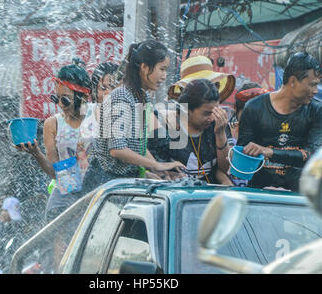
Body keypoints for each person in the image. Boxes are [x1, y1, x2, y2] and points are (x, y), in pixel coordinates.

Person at [82, 40, 185, 190]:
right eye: (162, 69)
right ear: (144, 67)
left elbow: (139, 146)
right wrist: (156, 164)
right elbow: (117, 149)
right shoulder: (121, 96)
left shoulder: (142, 97)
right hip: (103, 182)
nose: (164, 76)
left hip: (122, 180)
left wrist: (160, 171)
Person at [237, 52, 322, 192]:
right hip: (259, 194)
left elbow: (312, 155)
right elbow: (243, 153)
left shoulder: (318, 111)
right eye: (312, 85)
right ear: (293, 81)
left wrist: (268, 152)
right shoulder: (254, 107)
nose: (316, 91)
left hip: (298, 196)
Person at [17, 64, 98, 223]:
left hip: (96, 192)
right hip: (65, 196)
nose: (60, 104)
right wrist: (36, 153)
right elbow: (55, 173)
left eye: (65, 99)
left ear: (81, 95)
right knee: (60, 244)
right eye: (56, 98)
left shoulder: (97, 113)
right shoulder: (52, 124)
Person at [149, 79, 232, 185]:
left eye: (215, 112)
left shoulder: (219, 124)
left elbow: (225, 168)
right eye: (206, 113)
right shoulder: (165, 126)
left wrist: (220, 134)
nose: (211, 118)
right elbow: (153, 166)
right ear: (186, 109)